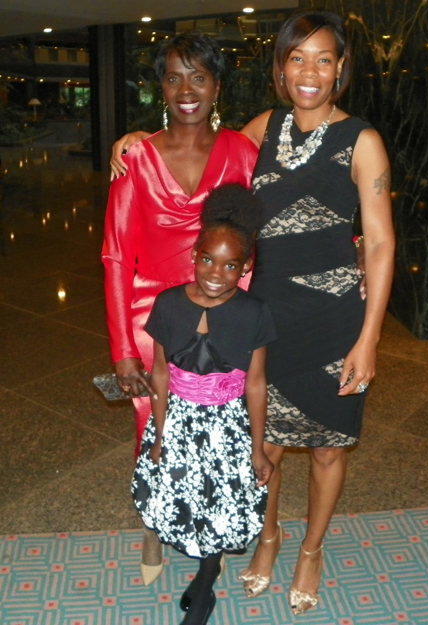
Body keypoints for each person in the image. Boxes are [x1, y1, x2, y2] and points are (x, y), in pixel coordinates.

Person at [110, 9, 394, 616]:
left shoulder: (363, 140)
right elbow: (201, 140)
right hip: (263, 313)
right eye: (297, 58)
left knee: (325, 447)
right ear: (280, 69)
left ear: (341, 67)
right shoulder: (263, 129)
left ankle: (311, 551)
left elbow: (380, 242)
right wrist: (133, 138)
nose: (309, 71)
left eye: (323, 58)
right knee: (260, 441)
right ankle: (268, 537)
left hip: (334, 316)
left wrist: (369, 338)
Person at [102, 32, 258, 585]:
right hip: (154, 318)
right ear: (160, 88)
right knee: (157, 427)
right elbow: (117, 257)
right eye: (173, 77)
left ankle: (209, 520)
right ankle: (153, 525)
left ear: (217, 86)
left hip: (222, 308)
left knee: (216, 426)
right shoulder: (137, 157)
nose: (185, 89)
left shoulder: (241, 150)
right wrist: (124, 349)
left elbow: (249, 241)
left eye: (199, 77)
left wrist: (243, 321)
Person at [131, 184, 276, 625]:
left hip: (229, 424)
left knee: (223, 499)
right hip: (178, 417)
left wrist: (256, 449)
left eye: (231, 265)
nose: (217, 272)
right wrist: (158, 433)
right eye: (208, 259)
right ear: (194, 255)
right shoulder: (169, 304)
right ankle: (199, 563)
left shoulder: (254, 311)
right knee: (182, 494)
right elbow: (158, 372)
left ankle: (207, 578)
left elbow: (255, 383)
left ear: (245, 266)